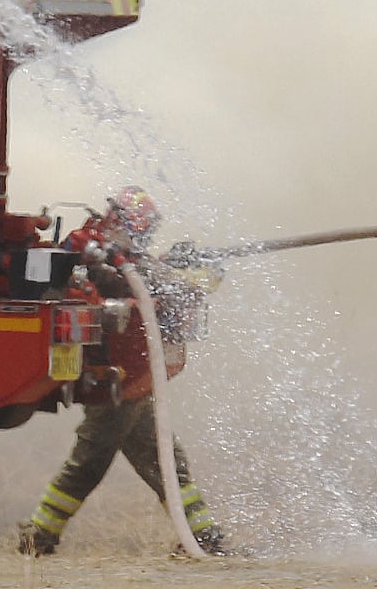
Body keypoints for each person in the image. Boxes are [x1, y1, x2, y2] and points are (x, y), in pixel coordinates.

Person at [19, 188, 230, 557]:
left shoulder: (128, 259)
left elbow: (165, 285)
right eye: (139, 231)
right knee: (91, 462)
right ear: (119, 221)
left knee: (164, 460)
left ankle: (204, 536)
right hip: (110, 379)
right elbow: (100, 298)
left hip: (133, 379)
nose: (141, 239)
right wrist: (144, 296)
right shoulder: (87, 252)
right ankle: (40, 534)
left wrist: (187, 266)